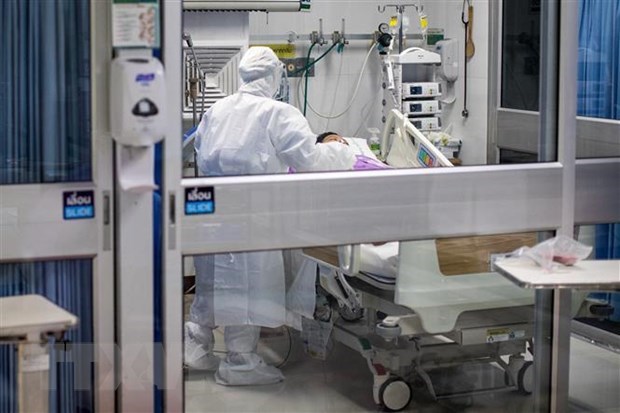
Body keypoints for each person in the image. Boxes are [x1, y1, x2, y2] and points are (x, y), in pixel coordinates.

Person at [185, 46, 354, 386]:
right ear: (275, 75)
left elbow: (199, 153)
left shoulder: (218, 110)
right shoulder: (278, 113)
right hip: (253, 217)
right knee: (245, 287)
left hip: (214, 212)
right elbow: (310, 159)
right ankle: (240, 364)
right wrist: (341, 151)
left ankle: (194, 350)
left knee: (211, 283)